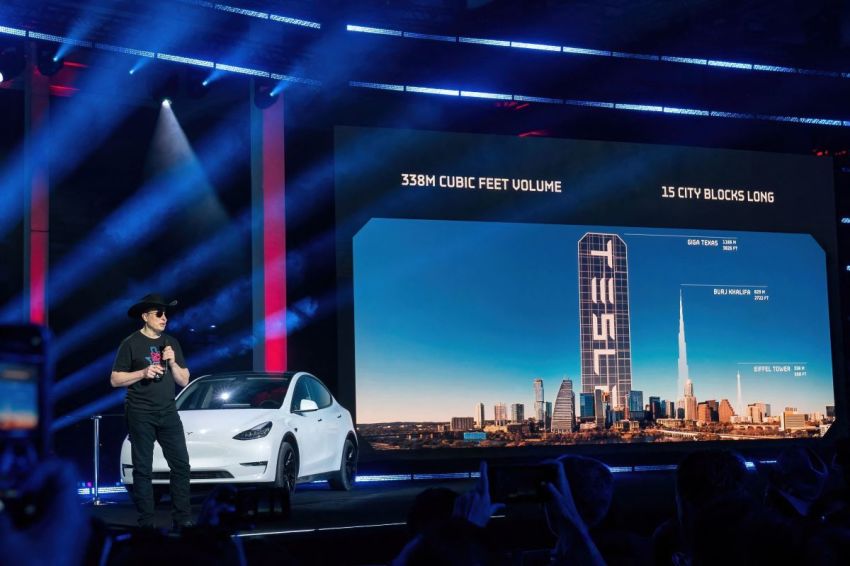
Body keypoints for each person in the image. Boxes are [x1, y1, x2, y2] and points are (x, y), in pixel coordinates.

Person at [110, 293, 192, 529]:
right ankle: (147, 522)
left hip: (168, 412)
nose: (164, 318)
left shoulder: (171, 342)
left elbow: (184, 380)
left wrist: (173, 362)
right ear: (145, 316)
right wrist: (143, 373)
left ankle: (182, 519)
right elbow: (115, 379)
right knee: (143, 468)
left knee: (181, 465)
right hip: (140, 412)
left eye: (165, 314)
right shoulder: (130, 343)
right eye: (159, 313)